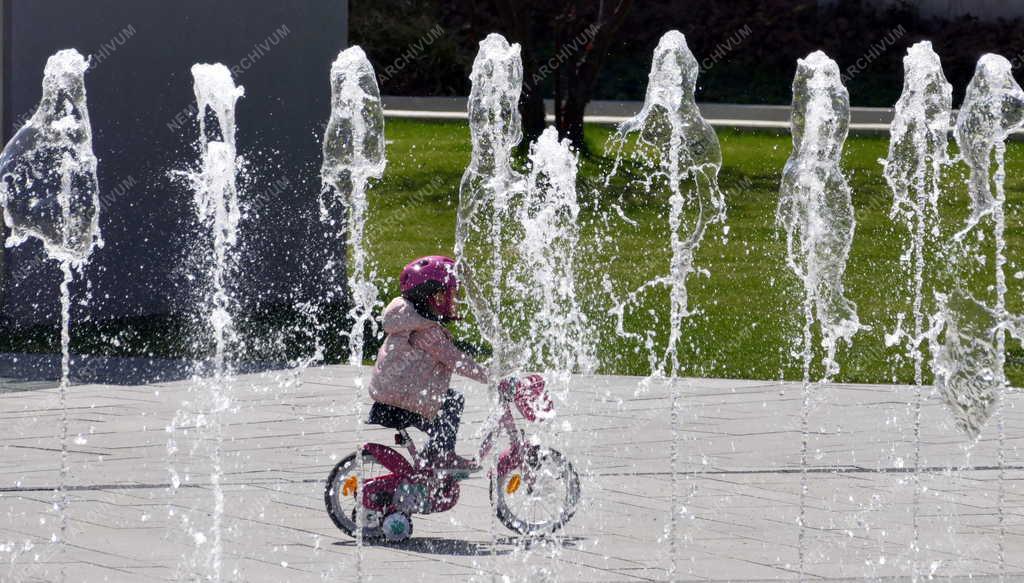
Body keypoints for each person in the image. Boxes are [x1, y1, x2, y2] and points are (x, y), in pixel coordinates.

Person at [367, 255, 489, 471]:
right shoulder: (426, 331)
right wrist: (492, 377)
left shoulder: (408, 320)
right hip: (403, 401)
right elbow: (456, 361)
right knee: (452, 402)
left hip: (393, 395)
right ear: (427, 298)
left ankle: (434, 458)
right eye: (443, 295)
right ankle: (441, 456)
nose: (450, 301)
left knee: (449, 400)